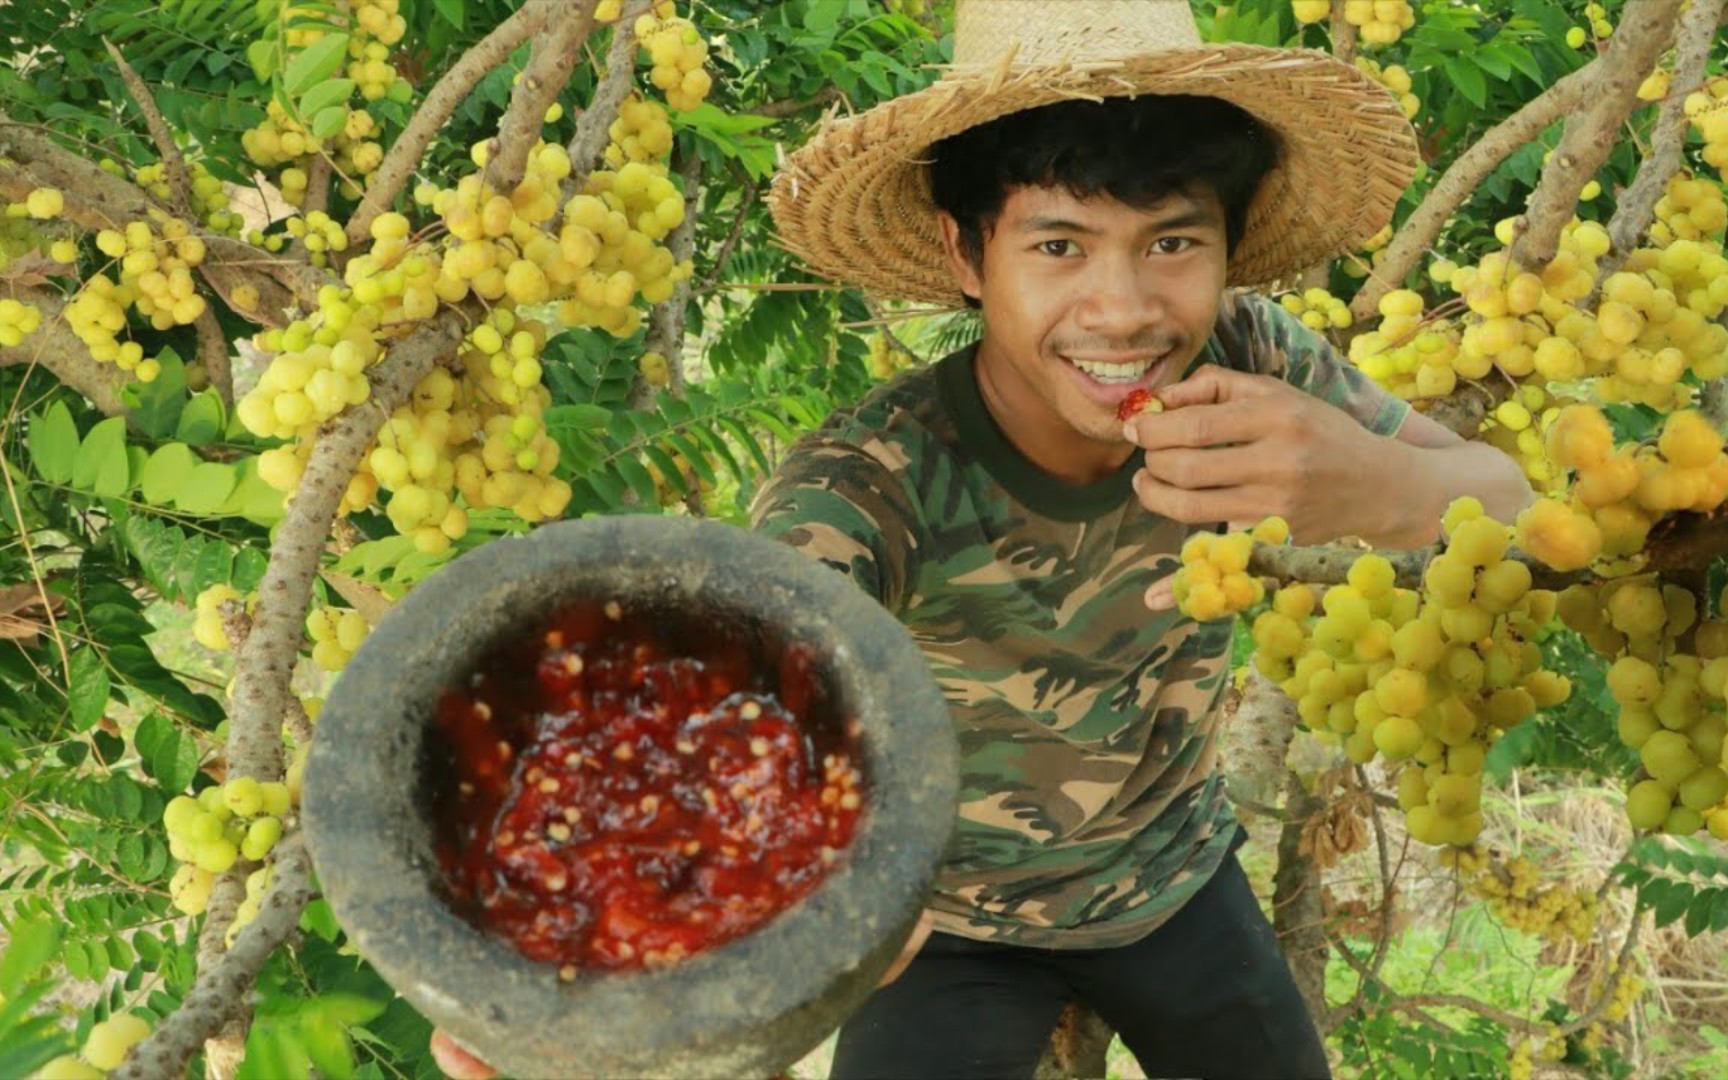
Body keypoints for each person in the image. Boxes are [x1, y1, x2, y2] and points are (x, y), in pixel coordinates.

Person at [432, 2, 1533, 1078]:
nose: (1123, 310)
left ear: (1231, 250)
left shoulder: (1251, 361)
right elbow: (743, 707)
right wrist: (589, 953)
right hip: (944, 917)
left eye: (1174, 242)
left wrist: (1376, 485)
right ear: (967, 256)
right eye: (1059, 244)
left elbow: (1513, 502)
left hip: (1170, 876)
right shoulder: (865, 486)